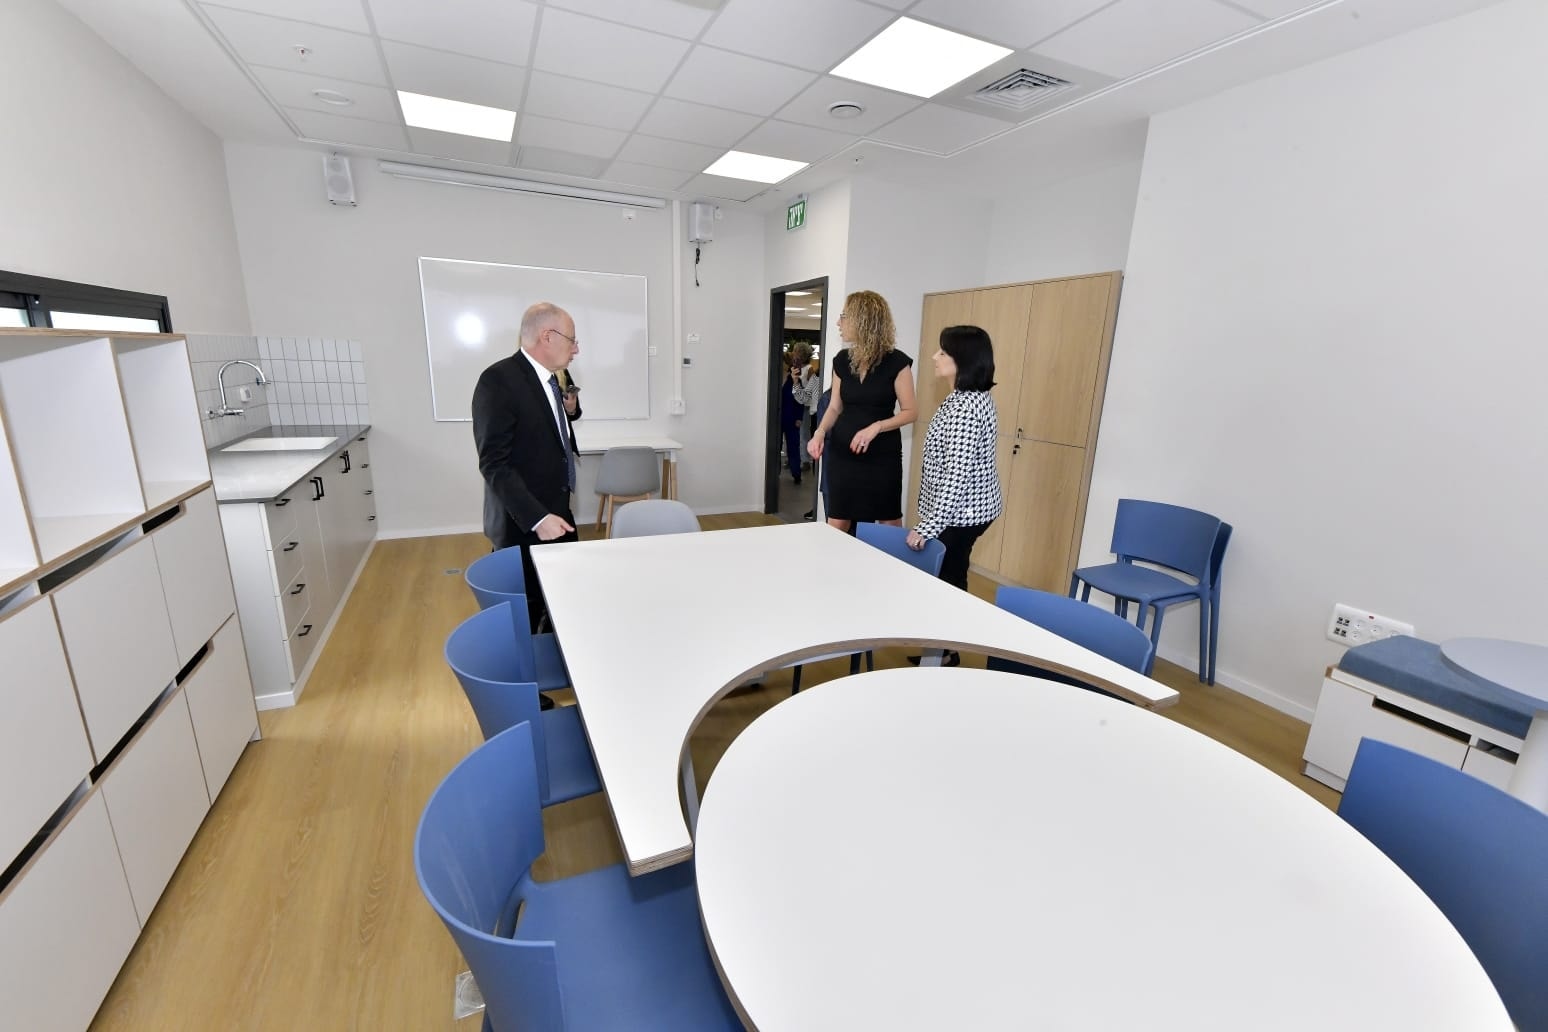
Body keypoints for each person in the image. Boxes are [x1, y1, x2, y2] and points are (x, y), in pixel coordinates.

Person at [472, 301, 583, 642]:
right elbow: (494, 463)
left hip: (558, 510)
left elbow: (551, 428)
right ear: (547, 336)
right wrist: (537, 517)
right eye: (572, 340)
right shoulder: (498, 381)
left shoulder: (553, 379)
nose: (576, 349)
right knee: (525, 615)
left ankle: (559, 657)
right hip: (524, 523)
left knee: (561, 603)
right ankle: (533, 674)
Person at [906, 325, 1004, 666]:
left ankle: (945, 652)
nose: (935, 357)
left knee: (947, 580)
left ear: (963, 359)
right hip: (966, 509)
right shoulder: (966, 397)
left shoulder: (965, 408)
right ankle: (944, 650)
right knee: (950, 576)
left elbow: (956, 478)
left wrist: (928, 527)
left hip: (964, 513)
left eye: (943, 352)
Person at [807, 290, 916, 532]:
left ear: (863, 320)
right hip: (843, 455)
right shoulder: (841, 360)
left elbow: (911, 412)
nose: (839, 323)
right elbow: (834, 406)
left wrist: (877, 427)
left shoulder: (898, 363)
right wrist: (819, 432)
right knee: (837, 520)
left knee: (889, 521)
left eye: (844, 316)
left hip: (882, 457)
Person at [780, 343, 812, 486]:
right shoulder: (773, 379)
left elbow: (800, 397)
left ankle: (796, 474)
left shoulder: (794, 378)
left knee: (794, 445)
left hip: (792, 417)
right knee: (777, 446)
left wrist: (799, 417)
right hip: (777, 418)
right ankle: (775, 472)